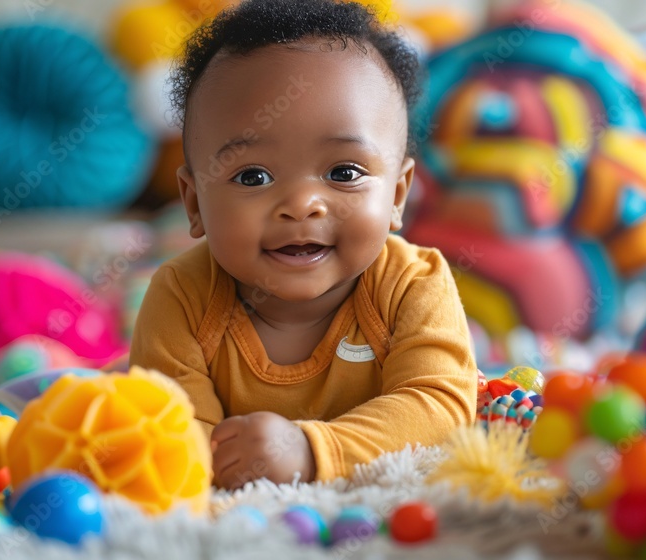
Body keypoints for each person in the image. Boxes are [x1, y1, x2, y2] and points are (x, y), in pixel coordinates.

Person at [130, 0, 478, 491]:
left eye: (344, 172)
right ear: (193, 203)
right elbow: (174, 436)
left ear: (397, 196)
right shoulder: (182, 297)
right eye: (253, 176)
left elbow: (441, 407)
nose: (301, 205)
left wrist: (311, 451)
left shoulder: (411, 284)